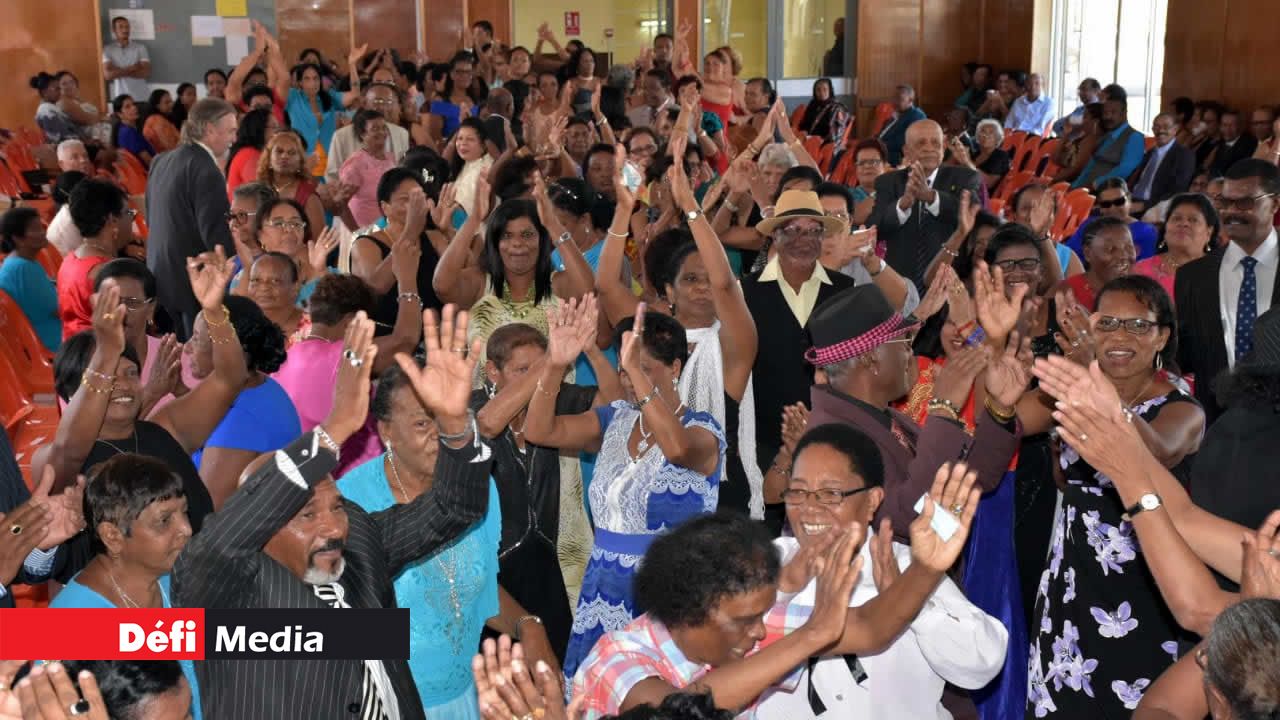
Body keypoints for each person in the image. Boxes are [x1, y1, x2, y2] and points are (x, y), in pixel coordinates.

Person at [171, 305, 492, 720]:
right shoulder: (224, 589)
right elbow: (220, 542)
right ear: (261, 524)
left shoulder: (357, 544)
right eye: (305, 515)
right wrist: (333, 429)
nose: (331, 526)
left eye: (336, 506)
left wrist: (455, 427)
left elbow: (454, 508)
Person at [569, 463, 983, 719]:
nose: (760, 632)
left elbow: (869, 628)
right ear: (689, 614)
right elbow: (678, 713)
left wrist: (927, 568)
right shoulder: (617, 657)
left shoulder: (742, 624)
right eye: (748, 621)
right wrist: (810, 636)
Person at [1018, 275, 1204, 717]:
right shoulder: (1072, 394)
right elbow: (1009, 421)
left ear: (1161, 336)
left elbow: (1154, 455)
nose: (1120, 337)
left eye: (1138, 326)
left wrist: (1095, 382)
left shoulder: (1180, 408)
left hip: (1145, 586)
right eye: (1107, 324)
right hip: (1072, 586)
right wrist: (1007, 348)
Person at [523, 305, 726, 684]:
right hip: (603, 593)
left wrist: (633, 369)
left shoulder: (702, 430)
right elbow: (539, 431)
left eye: (644, 369)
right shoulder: (613, 420)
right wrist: (554, 364)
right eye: (626, 370)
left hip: (670, 598)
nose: (631, 381)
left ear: (676, 367)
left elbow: (678, 451)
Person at [754, 423, 1007, 718]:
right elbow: (729, 641)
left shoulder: (909, 566)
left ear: (872, 500)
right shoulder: (770, 561)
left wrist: (913, 606)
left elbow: (982, 664)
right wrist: (785, 587)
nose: (809, 507)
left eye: (830, 493)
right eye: (797, 492)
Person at [34, 253, 244, 585]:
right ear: (73, 394)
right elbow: (70, 449)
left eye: (130, 373)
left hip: (199, 588)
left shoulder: (163, 430)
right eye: (106, 377)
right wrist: (104, 353)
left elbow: (230, 379)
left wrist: (215, 311)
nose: (123, 386)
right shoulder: (56, 460)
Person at [337, 360, 515, 718]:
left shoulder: (480, 487)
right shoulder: (349, 506)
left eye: (448, 417)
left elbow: (477, 586)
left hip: (469, 697)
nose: (440, 434)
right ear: (386, 431)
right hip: (392, 704)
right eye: (422, 422)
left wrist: (528, 624)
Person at [48, 454, 203, 719]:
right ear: (113, 536)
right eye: (164, 520)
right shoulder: (70, 623)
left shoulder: (174, 580)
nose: (186, 529)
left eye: (184, 511)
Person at [273, 268, 423, 477]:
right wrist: (408, 278)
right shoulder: (346, 354)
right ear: (352, 321)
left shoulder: (285, 358)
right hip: (360, 481)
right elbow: (405, 340)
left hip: (307, 478)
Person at [1176, 159, 1280, 422]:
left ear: (1275, 204)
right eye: (1225, 202)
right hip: (1218, 429)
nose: (1232, 212)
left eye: (1245, 203)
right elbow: (1185, 356)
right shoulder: (1193, 277)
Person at [187, 295, 300, 508]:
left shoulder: (239, 421)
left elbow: (209, 513)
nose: (187, 348)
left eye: (196, 338)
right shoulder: (259, 386)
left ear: (228, 352)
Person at [146, 98, 237, 340]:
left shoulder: (161, 160)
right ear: (209, 129)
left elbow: (150, 218)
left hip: (159, 276)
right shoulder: (206, 169)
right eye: (230, 131)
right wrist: (238, 273)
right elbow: (216, 238)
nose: (234, 139)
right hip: (191, 284)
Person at [871, 119, 982, 290]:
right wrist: (903, 205)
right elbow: (875, 228)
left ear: (944, 147)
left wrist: (930, 197)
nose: (929, 148)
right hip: (899, 284)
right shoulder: (888, 182)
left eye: (935, 143)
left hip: (948, 282)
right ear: (906, 151)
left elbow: (969, 213)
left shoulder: (965, 177)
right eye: (921, 143)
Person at [350, 167, 446, 333]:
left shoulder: (434, 238)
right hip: (389, 336)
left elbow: (458, 282)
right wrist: (411, 232)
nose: (414, 206)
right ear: (385, 207)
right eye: (405, 200)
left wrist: (449, 230)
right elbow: (375, 288)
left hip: (435, 334)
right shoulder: (365, 244)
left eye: (418, 199)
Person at [814, 182, 918, 314]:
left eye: (840, 216)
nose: (833, 222)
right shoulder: (797, 257)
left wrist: (873, 262)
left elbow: (907, 306)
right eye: (824, 215)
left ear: (850, 222)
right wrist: (836, 259)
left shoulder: (859, 257)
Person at [58, 179, 133, 340]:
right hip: (103, 357)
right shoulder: (107, 273)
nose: (132, 219)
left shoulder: (71, 258)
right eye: (129, 213)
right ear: (112, 220)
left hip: (76, 354)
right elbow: (124, 332)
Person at [286, 49, 366, 171]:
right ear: (300, 82)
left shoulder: (329, 97)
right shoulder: (293, 98)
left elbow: (355, 93)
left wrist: (352, 64)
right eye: (307, 79)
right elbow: (279, 80)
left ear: (321, 80)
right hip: (303, 163)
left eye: (315, 78)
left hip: (330, 162)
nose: (312, 83)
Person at [325, 82, 412, 184]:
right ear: (364, 104)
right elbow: (332, 175)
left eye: (388, 102)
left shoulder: (402, 133)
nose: (383, 107)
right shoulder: (342, 136)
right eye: (377, 101)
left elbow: (404, 170)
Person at [1135, 193, 1218, 298]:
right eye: (1176, 218)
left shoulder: (1220, 272)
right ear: (1165, 228)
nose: (1183, 224)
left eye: (1193, 220)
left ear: (1209, 232)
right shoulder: (1141, 270)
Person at [0, 207, 61, 352]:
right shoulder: (22, 268)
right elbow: (60, 309)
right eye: (36, 229)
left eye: (41, 226)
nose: (43, 232)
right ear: (18, 238)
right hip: (51, 344)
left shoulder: (20, 262)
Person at [256, 130, 327, 240]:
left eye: (291, 153)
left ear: (300, 162)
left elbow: (319, 242)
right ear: (269, 159)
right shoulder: (257, 190)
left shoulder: (309, 196)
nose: (284, 156)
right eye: (279, 151)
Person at [1066, 178, 1159, 260]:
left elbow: (1142, 267)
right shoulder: (1090, 223)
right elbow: (1069, 254)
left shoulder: (1146, 231)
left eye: (1119, 202)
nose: (1113, 208)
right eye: (1106, 204)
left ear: (1129, 199)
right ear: (1100, 207)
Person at [1060, 215, 1138, 309]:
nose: (1123, 255)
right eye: (1111, 249)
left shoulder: (1142, 293)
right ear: (1088, 253)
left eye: (1128, 247)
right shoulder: (1066, 293)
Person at [1073, 91, 1145, 189]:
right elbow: (1091, 166)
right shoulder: (1106, 137)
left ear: (1124, 113)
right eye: (1105, 113)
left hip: (1106, 194)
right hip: (1084, 190)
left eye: (1113, 112)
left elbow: (1124, 170)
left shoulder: (1135, 137)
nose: (1108, 117)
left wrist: (1094, 185)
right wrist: (1075, 186)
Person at [339, 110, 399, 228]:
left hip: (388, 230)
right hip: (364, 232)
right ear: (362, 134)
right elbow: (341, 204)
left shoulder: (391, 158)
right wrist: (357, 234)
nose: (382, 132)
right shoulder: (355, 165)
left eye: (383, 127)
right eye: (375, 129)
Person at [1129, 113, 1196, 212]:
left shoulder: (1184, 155)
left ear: (1175, 129)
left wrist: (1144, 206)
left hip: (1154, 207)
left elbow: (1177, 192)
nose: (1160, 131)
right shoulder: (1149, 153)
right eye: (1156, 127)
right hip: (1131, 201)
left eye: (1166, 127)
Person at [223, 108, 281, 198]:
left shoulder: (252, 153)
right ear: (259, 128)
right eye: (274, 127)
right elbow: (263, 191)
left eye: (278, 127)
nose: (278, 133)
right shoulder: (249, 155)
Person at [948, 118, 1012, 193]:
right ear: (978, 136)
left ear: (997, 138)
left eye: (991, 132)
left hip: (982, 197)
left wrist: (967, 162)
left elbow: (988, 183)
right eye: (983, 131)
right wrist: (956, 155)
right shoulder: (975, 154)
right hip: (964, 189)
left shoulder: (1001, 155)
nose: (986, 135)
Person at [877, 84, 927, 166]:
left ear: (910, 100)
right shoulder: (896, 114)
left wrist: (880, 145)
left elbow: (905, 142)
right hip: (883, 152)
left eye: (899, 99)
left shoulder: (917, 116)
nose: (894, 102)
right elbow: (882, 134)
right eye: (893, 98)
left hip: (898, 158)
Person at [102, 16, 149, 102]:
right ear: (114, 29)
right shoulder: (107, 49)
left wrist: (118, 71)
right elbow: (108, 75)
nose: (125, 30)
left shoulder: (140, 48)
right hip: (120, 98)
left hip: (141, 97)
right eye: (121, 27)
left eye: (127, 27)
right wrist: (132, 68)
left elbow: (145, 73)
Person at [29, 72, 81, 143]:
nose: (60, 92)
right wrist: (85, 142)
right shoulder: (46, 111)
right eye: (56, 89)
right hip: (68, 148)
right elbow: (61, 138)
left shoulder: (52, 107)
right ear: (45, 92)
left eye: (59, 89)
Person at [797, 78, 850, 148]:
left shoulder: (836, 108)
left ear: (830, 91)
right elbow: (805, 123)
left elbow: (836, 133)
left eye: (825, 89)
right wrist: (804, 132)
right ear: (814, 92)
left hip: (825, 142)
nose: (821, 93)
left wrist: (820, 140)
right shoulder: (813, 104)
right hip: (808, 139)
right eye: (818, 90)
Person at [1208, 110, 1260, 178]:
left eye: (1232, 125)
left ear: (1241, 126)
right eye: (1224, 125)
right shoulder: (1217, 143)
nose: (1227, 129)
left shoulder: (1250, 144)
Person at [108, 94, 155, 167]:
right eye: (128, 107)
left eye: (134, 104)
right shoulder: (128, 133)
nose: (134, 108)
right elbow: (149, 161)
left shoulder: (127, 129)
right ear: (119, 114)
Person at [142, 89, 182, 154]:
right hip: (166, 159)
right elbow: (170, 147)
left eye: (171, 101)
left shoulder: (162, 118)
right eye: (167, 102)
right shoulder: (156, 121)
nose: (171, 104)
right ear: (157, 106)